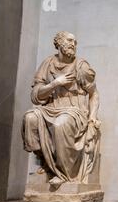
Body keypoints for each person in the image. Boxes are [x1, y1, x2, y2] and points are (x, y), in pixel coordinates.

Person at [22, 31, 101, 188]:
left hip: (75, 111)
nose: (73, 44)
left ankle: (64, 174)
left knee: (60, 123)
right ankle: (47, 165)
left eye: (75, 42)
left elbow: (94, 94)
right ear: (59, 43)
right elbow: (35, 96)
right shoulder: (48, 64)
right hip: (50, 108)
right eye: (70, 40)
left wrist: (92, 117)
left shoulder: (81, 66)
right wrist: (54, 84)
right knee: (30, 118)